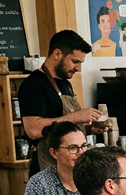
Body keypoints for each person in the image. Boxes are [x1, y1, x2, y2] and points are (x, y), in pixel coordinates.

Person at [18, 30, 103, 173]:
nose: (78, 68)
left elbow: (64, 127)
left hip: (69, 169)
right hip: (47, 168)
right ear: (57, 54)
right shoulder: (34, 85)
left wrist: (88, 127)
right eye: (75, 62)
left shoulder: (65, 84)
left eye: (80, 63)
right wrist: (75, 117)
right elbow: (32, 129)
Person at [18, 120, 86, 195]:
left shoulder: (96, 177)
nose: (81, 153)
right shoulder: (40, 182)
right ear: (54, 153)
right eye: (73, 148)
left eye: (84, 146)